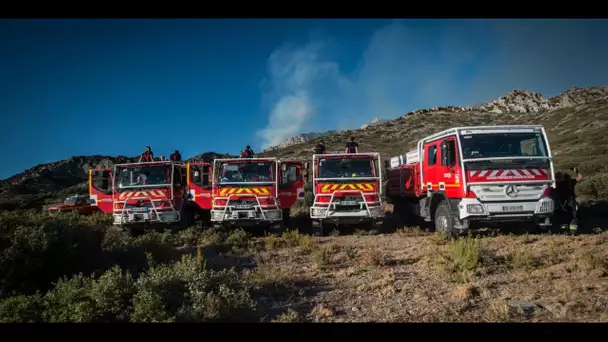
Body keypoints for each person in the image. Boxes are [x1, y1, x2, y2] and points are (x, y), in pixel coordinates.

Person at [554, 167, 583, 234]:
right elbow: (580, 177)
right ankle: (573, 232)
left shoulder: (556, 183)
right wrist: (576, 171)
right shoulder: (571, 181)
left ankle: (565, 232)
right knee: (573, 216)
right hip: (570, 202)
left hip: (560, 203)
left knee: (563, 218)